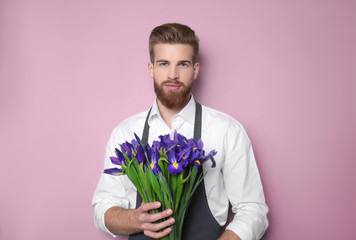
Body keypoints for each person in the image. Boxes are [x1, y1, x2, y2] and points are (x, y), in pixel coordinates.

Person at [92, 23, 269, 240]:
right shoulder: (126, 133)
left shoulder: (226, 130)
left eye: (182, 64)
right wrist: (136, 219)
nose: (173, 75)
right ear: (151, 68)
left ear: (195, 70)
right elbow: (103, 207)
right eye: (164, 63)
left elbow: (253, 210)